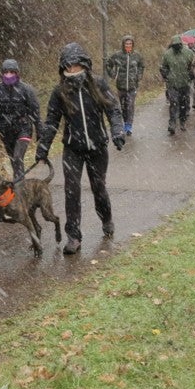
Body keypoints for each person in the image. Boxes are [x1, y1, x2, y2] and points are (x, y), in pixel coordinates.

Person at [35, 42, 124, 255]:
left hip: (97, 147)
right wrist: (43, 146)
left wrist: (118, 131)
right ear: (63, 68)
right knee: (71, 191)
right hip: (72, 149)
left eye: (76, 65)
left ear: (85, 64)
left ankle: (107, 218)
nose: (72, 70)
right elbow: (51, 122)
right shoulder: (59, 92)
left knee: (98, 188)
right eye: (68, 66)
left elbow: (113, 110)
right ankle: (73, 236)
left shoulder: (99, 84)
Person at [0, 58, 42, 180]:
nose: (8, 75)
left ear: (17, 73)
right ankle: (19, 182)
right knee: (13, 160)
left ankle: (19, 186)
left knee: (17, 157)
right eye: (6, 72)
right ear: (2, 73)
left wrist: (39, 129)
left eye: (12, 72)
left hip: (23, 128)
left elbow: (35, 110)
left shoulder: (26, 90)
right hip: (5, 131)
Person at [105, 34, 145, 136]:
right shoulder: (117, 55)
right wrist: (113, 75)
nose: (128, 45)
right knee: (123, 106)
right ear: (123, 44)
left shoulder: (137, 55)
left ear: (133, 44)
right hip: (121, 86)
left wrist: (138, 76)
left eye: (130, 43)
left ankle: (128, 126)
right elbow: (108, 64)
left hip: (132, 86)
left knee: (130, 106)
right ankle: (124, 121)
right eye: (126, 43)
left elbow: (142, 66)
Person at [160, 35, 195, 135]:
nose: (176, 47)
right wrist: (167, 76)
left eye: (178, 45)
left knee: (183, 104)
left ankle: (182, 121)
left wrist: (191, 75)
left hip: (185, 83)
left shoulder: (188, 53)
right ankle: (172, 123)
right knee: (173, 103)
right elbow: (163, 67)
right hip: (172, 84)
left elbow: (193, 66)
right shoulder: (167, 54)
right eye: (174, 45)